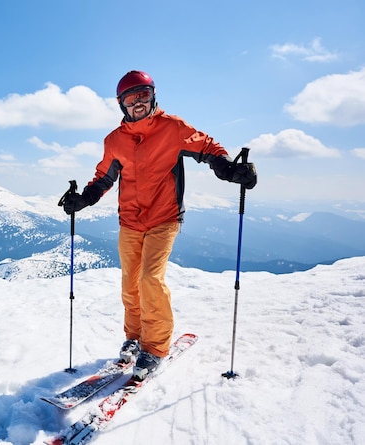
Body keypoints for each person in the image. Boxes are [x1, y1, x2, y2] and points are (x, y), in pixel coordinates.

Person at [61, 70, 257, 380]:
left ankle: (155, 347)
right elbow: (104, 177)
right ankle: (134, 336)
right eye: (130, 98)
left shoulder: (173, 128)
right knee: (130, 282)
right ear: (121, 104)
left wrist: (230, 170)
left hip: (164, 218)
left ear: (153, 96)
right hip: (129, 221)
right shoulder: (114, 140)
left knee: (150, 279)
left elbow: (208, 148)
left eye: (143, 95)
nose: (137, 103)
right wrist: (84, 199)